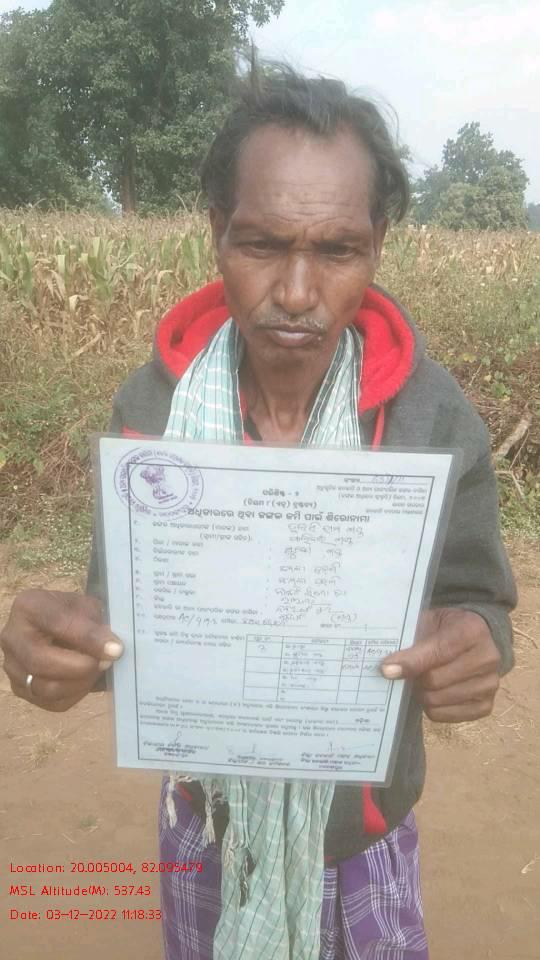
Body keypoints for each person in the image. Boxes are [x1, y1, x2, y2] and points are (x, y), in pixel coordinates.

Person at [0, 61, 517, 959]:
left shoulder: (433, 420)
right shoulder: (153, 413)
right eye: (263, 244)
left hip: (363, 831)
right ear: (216, 233)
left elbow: (481, 601)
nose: (297, 293)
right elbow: (125, 625)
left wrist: (477, 644)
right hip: (210, 823)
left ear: (377, 244)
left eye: (338, 250)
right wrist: (64, 654)